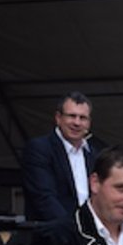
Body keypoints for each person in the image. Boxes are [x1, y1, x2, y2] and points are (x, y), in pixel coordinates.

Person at [22, 91, 104, 223]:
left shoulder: (95, 155)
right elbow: (44, 198)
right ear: (58, 118)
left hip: (89, 236)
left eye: (83, 118)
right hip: (53, 235)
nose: (77, 123)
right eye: (72, 116)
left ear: (89, 123)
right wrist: (74, 232)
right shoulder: (39, 149)